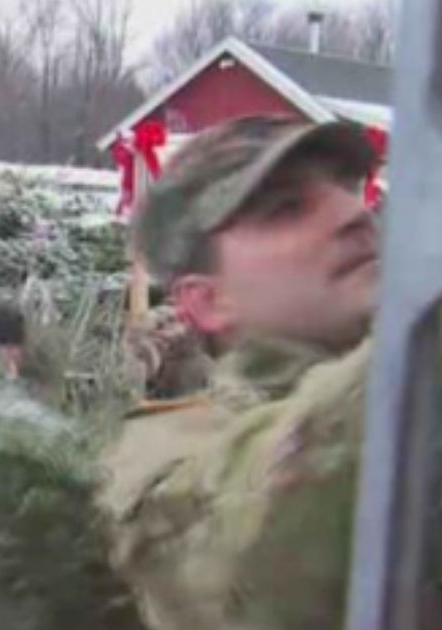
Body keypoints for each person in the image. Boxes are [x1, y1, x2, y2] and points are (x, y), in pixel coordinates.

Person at [99, 115, 400, 630]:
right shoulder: (163, 453)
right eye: (287, 209)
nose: (355, 212)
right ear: (208, 301)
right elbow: (248, 546)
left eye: (349, 190)